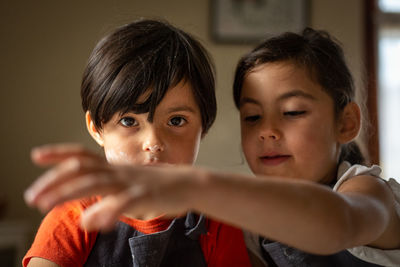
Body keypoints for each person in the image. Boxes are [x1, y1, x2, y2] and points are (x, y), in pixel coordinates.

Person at [25, 28, 400, 266]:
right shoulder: (247, 225)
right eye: (252, 117)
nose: (267, 131)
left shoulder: (368, 192)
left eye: (292, 111)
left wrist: (195, 187)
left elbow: (337, 222)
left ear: (346, 122)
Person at [23, 19, 252, 267]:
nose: (153, 143)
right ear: (96, 128)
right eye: (129, 121)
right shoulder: (73, 217)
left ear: (204, 126)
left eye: (176, 121)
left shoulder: (217, 220)